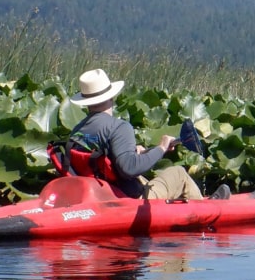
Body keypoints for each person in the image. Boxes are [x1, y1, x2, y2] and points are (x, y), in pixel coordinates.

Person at [66, 67, 211, 201]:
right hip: (128, 200)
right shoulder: (119, 127)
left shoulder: (77, 130)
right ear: (111, 97)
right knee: (179, 174)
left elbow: (104, 158)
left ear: (86, 102)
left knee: (144, 179)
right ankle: (209, 211)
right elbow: (130, 168)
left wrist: (135, 153)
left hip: (100, 195)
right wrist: (161, 147)